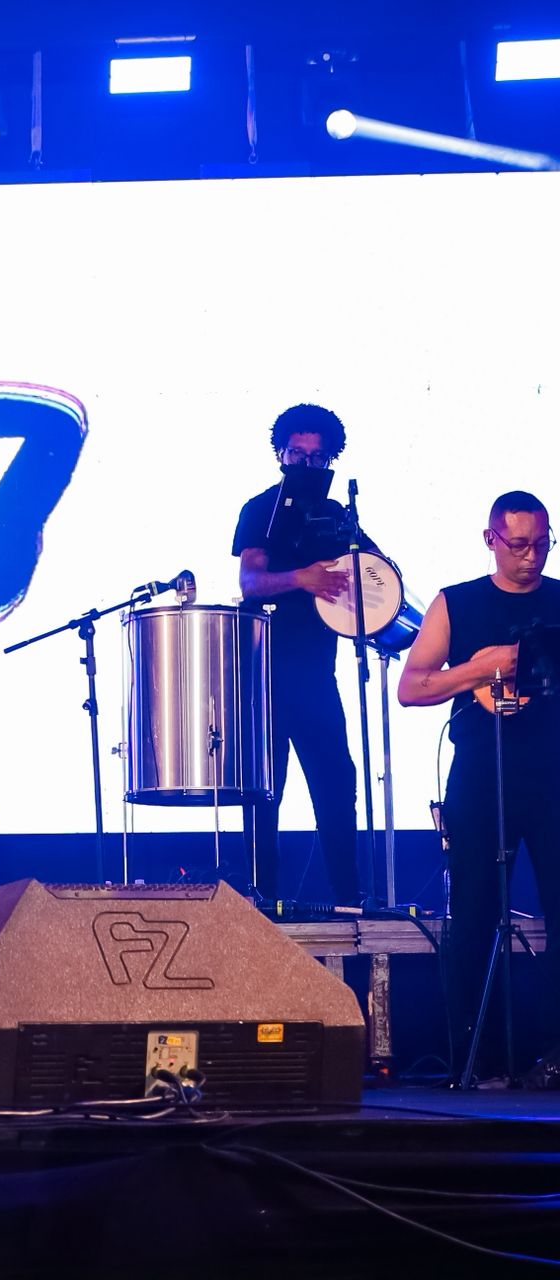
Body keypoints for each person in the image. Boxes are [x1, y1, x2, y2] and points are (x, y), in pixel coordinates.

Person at [398, 491, 560, 1075]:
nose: (531, 556)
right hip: (482, 777)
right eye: (518, 545)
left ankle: (554, 1055)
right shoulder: (458, 603)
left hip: (553, 775)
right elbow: (412, 687)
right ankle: (476, 1058)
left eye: (542, 544)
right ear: (491, 539)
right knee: (474, 914)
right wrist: (480, 671)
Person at [232, 403, 375, 906]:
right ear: (280, 453)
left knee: (337, 786)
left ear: (331, 459)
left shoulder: (338, 518)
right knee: (264, 794)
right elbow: (249, 584)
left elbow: (377, 578)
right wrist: (303, 579)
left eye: (317, 457)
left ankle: (349, 901)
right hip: (263, 677)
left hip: (317, 675)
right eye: (297, 453)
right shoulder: (259, 509)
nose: (306, 465)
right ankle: (261, 905)